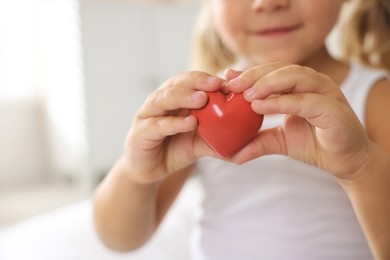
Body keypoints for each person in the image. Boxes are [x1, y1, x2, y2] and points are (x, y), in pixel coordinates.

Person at [93, 0, 390, 259]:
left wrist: (359, 166)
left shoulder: (376, 96)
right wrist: (137, 173)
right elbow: (120, 240)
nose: (268, 2)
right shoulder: (196, 104)